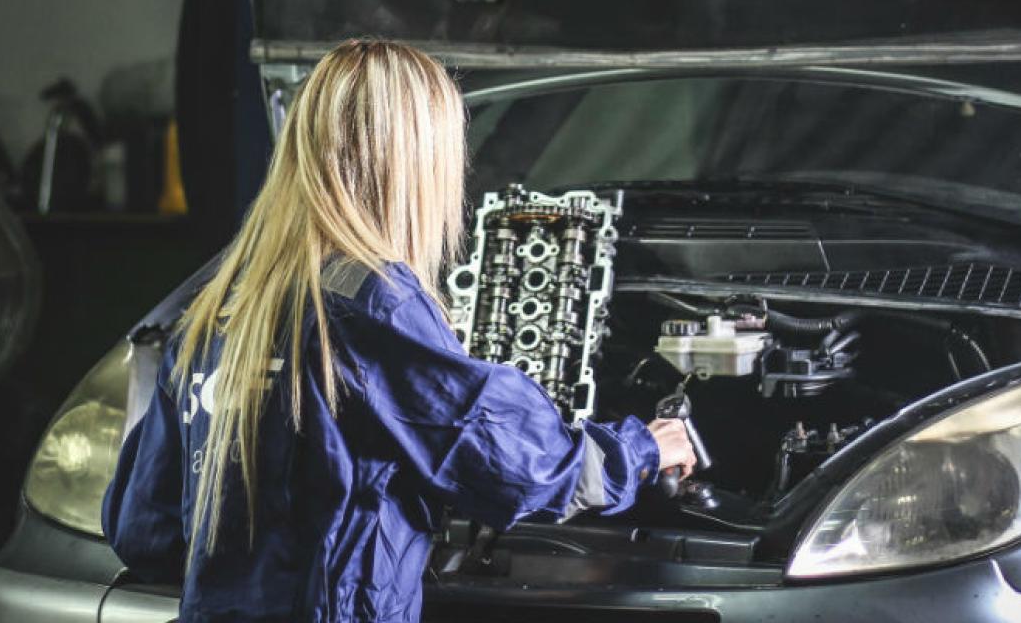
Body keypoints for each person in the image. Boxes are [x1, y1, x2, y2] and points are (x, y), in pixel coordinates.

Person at [104, 38, 696, 623]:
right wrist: (642, 449)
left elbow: (144, 532)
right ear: (415, 159)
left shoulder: (218, 311)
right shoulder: (371, 304)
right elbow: (519, 466)